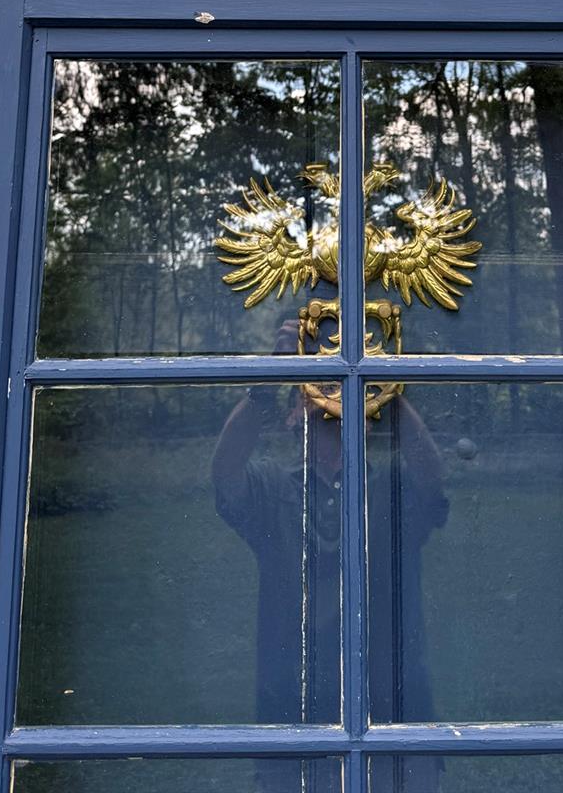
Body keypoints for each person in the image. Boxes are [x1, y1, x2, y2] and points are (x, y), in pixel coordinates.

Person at [212, 320, 448, 792]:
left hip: (395, 710)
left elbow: (432, 480)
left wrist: (379, 384)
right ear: (290, 416)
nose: (327, 402)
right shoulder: (274, 489)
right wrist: (274, 378)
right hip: (293, 713)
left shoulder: (387, 488)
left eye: (338, 393)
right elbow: (225, 472)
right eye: (313, 394)